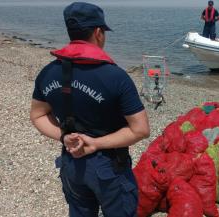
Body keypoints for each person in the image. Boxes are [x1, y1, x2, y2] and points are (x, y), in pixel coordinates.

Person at [29, 2, 150, 217]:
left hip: (71, 161)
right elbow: (140, 130)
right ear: (98, 32)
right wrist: (95, 143)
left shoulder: (48, 72)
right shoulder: (116, 77)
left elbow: (37, 114)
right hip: (109, 166)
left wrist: (64, 136)